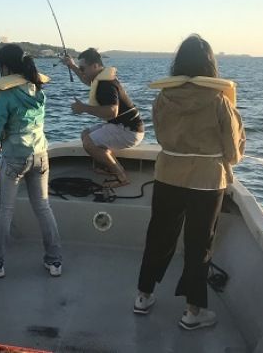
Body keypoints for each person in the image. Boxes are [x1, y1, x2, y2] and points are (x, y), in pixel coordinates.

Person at [133, 34, 245, 331]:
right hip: (207, 180)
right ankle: (193, 312)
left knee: (159, 235)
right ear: (211, 64)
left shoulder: (164, 97)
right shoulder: (220, 100)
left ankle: (143, 296)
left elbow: (160, 135)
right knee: (199, 245)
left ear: (178, 63)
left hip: (168, 173)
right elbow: (233, 152)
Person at [0, 44, 62, 278]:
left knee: (5, 210)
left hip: (15, 157)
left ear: (6, 67)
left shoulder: (6, 94)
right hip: (41, 155)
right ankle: (54, 261)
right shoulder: (38, 89)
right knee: (43, 207)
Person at [62, 48, 144, 187]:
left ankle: (121, 176)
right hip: (123, 126)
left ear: (95, 66)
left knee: (89, 143)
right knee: (85, 134)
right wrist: (72, 66)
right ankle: (110, 167)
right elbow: (86, 79)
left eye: (83, 67)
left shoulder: (106, 84)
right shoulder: (100, 78)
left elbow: (112, 112)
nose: (81, 70)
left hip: (129, 131)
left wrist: (83, 108)